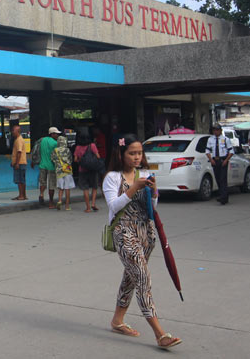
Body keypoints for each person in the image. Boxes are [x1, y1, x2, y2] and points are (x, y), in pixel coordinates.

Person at [103, 134, 181, 349]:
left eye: (139, 153)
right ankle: (160, 334)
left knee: (131, 278)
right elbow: (113, 206)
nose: (137, 157)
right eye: (132, 153)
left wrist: (153, 191)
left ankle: (117, 320)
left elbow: (152, 207)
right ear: (121, 154)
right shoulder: (112, 177)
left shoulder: (144, 174)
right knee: (143, 279)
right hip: (123, 232)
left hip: (145, 233)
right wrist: (134, 187)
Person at [206, 122, 234, 205]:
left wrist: (226, 160)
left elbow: (231, 151)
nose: (215, 131)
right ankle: (224, 196)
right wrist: (211, 159)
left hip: (223, 160)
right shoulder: (210, 139)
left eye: (217, 130)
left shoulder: (226, 139)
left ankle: (223, 197)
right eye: (214, 130)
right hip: (215, 160)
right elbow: (207, 151)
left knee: (223, 179)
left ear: (221, 130)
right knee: (218, 178)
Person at [74, 133, 101, 213]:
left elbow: (75, 159)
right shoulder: (92, 145)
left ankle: (88, 207)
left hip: (82, 170)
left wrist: (82, 161)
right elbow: (98, 156)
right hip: (93, 169)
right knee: (94, 187)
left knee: (85, 188)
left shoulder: (78, 147)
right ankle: (93, 203)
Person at [38, 127, 60, 208]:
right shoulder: (55, 143)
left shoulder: (42, 140)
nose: (57, 135)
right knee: (51, 185)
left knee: (42, 182)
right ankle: (51, 203)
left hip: (42, 164)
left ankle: (41, 194)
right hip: (51, 166)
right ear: (52, 134)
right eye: (56, 134)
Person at [53, 135, 75, 210]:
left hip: (59, 171)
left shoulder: (55, 150)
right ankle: (67, 206)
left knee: (60, 188)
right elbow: (71, 160)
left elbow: (53, 159)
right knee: (67, 188)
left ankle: (59, 200)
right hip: (67, 171)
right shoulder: (67, 150)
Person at [10, 124, 27, 200]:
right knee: (22, 180)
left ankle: (21, 195)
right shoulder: (18, 139)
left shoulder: (19, 140)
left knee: (20, 180)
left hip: (20, 163)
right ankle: (23, 195)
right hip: (20, 163)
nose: (12, 132)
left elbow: (19, 152)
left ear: (17, 131)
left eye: (13, 130)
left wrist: (16, 163)